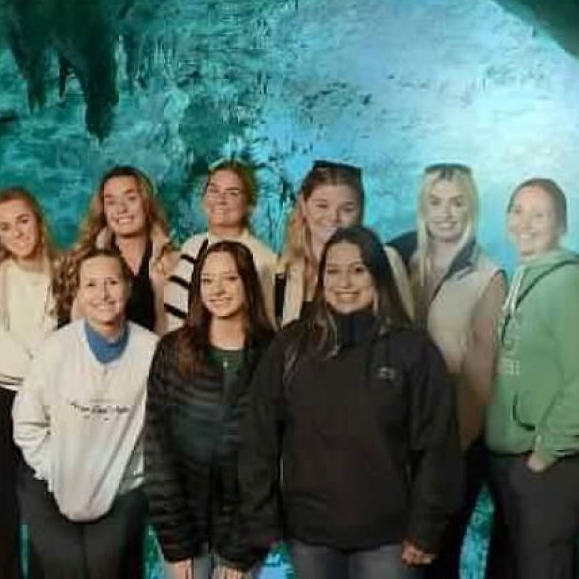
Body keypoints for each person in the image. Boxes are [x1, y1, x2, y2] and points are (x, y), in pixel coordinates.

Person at [241, 225, 462, 578]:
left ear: (378, 276)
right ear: (321, 277)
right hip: (310, 535)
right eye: (333, 271)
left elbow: (438, 447)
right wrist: (261, 517)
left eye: (358, 270)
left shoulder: (412, 349)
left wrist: (426, 529)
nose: (344, 282)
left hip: (389, 537)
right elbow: (257, 436)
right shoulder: (291, 346)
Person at [389, 164, 508, 579]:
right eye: (435, 202)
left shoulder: (488, 275)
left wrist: (447, 456)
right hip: (400, 433)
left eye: (457, 203)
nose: (446, 213)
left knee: (438, 556)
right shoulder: (400, 259)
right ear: (423, 206)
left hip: (456, 431)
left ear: (471, 207)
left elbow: (481, 372)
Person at [13, 248, 158, 578]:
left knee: (105, 568)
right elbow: (26, 422)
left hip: (119, 488)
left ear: (128, 288)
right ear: (78, 292)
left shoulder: (151, 352)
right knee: (67, 571)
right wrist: (57, 468)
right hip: (48, 485)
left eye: (112, 282)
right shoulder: (56, 349)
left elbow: (163, 431)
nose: (103, 294)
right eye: (91, 285)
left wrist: (129, 476)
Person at [486, 178, 579, 579]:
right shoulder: (523, 277)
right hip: (514, 462)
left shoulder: (570, 282)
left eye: (540, 214)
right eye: (518, 211)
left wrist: (544, 456)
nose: (526, 223)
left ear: (561, 225)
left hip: (550, 469)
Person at [146, 239, 275, 578]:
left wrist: (241, 550)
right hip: (184, 526)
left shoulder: (274, 355)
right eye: (207, 280)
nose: (217, 290)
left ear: (248, 283)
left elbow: (275, 459)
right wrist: (175, 544)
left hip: (243, 529)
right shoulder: (173, 351)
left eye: (230, 279)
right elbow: (158, 451)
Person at [0, 188, 58, 579]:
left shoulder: (65, 270)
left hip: (52, 409)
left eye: (23, 221)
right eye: (5, 227)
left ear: (38, 220)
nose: (17, 232)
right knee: (1, 520)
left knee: (46, 520)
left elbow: (68, 341)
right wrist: (43, 366)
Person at [274, 161, 412, 326]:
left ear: (361, 210)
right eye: (322, 206)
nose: (333, 217)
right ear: (304, 205)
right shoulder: (284, 268)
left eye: (347, 209)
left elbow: (407, 335)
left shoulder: (387, 260)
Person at [163, 160, 279, 331]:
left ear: (250, 206)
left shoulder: (264, 260)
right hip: (175, 351)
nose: (220, 199)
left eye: (232, 193)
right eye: (214, 190)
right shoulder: (191, 245)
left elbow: (266, 327)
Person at [71, 166, 176, 332]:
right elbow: (76, 330)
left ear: (146, 203)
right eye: (111, 202)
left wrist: (160, 289)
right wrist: (99, 259)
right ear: (103, 210)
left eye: (131, 198)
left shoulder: (173, 261)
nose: (121, 209)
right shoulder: (85, 259)